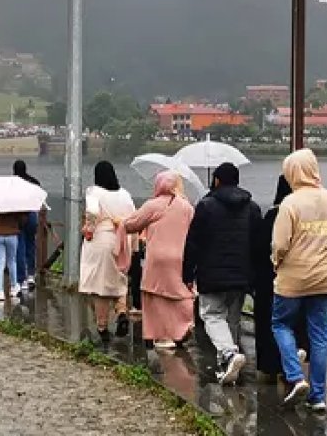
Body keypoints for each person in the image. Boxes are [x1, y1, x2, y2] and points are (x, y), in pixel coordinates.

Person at [270, 148, 327, 411]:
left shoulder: (290, 203)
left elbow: (279, 243)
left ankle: (296, 376)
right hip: (325, 275)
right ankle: (319, 396)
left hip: (293, 275)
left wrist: (276, 262)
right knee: (320, 336)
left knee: (281, 324)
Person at [183, 162, 261, 384]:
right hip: (242, 274)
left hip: (212, 273)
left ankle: (228, 354)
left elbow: (194, 243)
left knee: (212, 316)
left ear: (216, 180)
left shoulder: (206, 206)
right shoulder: (252, 208)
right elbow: (257, 245)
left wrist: (187, 273)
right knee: (233, 319)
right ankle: (228, 368)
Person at [126, 171, 196, 350]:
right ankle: (183, 325)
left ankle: (162, 336)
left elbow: (131, 224)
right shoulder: (187, 207)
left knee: (155, 295)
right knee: (180, 292)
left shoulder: (153, 205)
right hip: (180, 256)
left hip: (157, 257)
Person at [252, 176, 308, 380]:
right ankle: (294, 360)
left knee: (272, 322)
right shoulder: (305, 216)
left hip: (270, 279)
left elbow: (259, 249)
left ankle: (272, 365)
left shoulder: (271, 216)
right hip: (301, 278)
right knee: (296, 321)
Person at [79, 161, 137, 343]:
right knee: (119, 278)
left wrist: (88, 229)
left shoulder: (94, 192)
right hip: (122, 238)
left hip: (101, 238)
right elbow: (134, 218)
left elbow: (92, 212)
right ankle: (121, 312)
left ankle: (102, 326)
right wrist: (133, 246)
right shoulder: (125, 194)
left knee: (100, 285)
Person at [12, 160, 42, 291]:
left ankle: (21, 278)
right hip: (32, 216)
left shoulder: (12, 183)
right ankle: (31, 275)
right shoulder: (34, 182)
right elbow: (39, 199)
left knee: (20, 247)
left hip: (18, 217)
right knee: (31, 244)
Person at [0, 206, 24, 303]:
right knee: (12, 262)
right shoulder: (15, 205)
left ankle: (0, 292)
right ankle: (13, 287)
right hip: (12, 235)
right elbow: (22, 221)